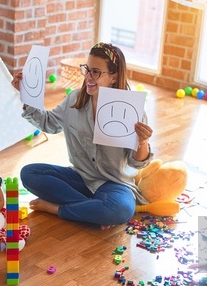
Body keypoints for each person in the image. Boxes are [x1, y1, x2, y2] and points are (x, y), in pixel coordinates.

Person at [12, 42, 153, 229]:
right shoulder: (74, 99)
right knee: (29, 173)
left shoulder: (131, 109)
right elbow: (49, 123)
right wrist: (26, 95)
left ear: (114, 76)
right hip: (80, 178)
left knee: (121, 210)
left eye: (95, 72)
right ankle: (92, 210)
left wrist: (142, 142)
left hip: (115, 184)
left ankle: (57, 209)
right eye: (87, 69)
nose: (88, 77)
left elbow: (136, 163)